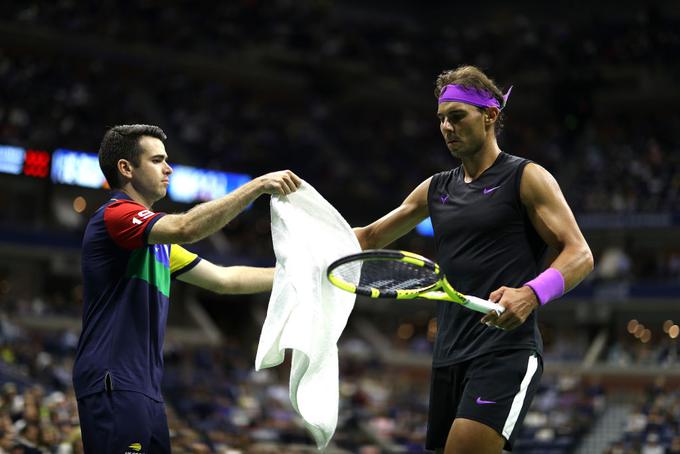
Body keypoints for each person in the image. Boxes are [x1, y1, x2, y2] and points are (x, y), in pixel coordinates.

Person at [353, 66, 594, 454]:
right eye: (442, 119)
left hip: (505, 351)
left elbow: (580, 254)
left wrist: (531, 295)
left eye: (457, 116)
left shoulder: (526, 177)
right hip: (448, 353)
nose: (447, 127)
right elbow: (368, 237)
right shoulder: (435, 188)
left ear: (490, 116)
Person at [72, 124, 301, 453]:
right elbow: (186, 226)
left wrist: (301, 273)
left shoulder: (159, 246)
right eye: (157, 160)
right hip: (115, 380)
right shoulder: (115, 215)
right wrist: (258, 186)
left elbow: (227, 280)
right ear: (126, 168)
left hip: (146, 388)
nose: (169, 168)